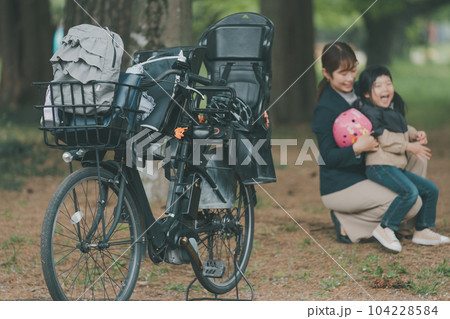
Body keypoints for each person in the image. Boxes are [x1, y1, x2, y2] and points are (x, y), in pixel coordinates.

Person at [312, 42, 423, 244]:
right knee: (413, 202)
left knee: (418, 156)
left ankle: (405, 226)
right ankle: (347, 221)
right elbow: (328, 157)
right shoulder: (325, 110)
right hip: (343, 184)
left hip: (376, 166)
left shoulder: (363, 87)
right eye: (342, 73)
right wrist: (356, 148)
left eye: (353, 70)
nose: (350, 77)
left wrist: (411, 135)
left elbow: (390, 116)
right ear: (327, 74)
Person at [355, 65, 449, 252]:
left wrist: (415, 135)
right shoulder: (370, 112)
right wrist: (407, 146)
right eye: (378, 85)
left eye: (388, 83)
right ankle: (385, 227)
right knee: (409, 192)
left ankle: (422, 230)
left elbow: (403, 128)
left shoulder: (390, 110)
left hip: (394, 166)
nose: (385, 89)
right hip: (379, 166)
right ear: (366, 93)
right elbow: (382, 138)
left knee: (430, 190)